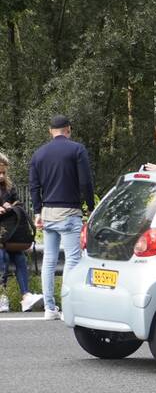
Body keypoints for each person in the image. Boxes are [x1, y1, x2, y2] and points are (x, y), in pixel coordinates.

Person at [28, 115, 95, 320]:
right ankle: (68, 308)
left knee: (49, 260)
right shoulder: (77, 150)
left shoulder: (39, 154)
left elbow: (34, 187)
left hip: (48, 213)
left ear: (50, 131)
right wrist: (90, 206)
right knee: (72, 259)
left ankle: (50, 309)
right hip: (70, 213)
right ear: (69, 129)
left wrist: (37, 212)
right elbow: (85, 182)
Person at [0, 152, 43, 311]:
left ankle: (26, 297)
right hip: (1, 240)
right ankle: (1, 296)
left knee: (20, 258)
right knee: (2, 256)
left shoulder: (9, 187)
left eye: (4, 172)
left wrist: (11, 206)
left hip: (10, 235)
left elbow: (20, 205)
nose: (2, 176)